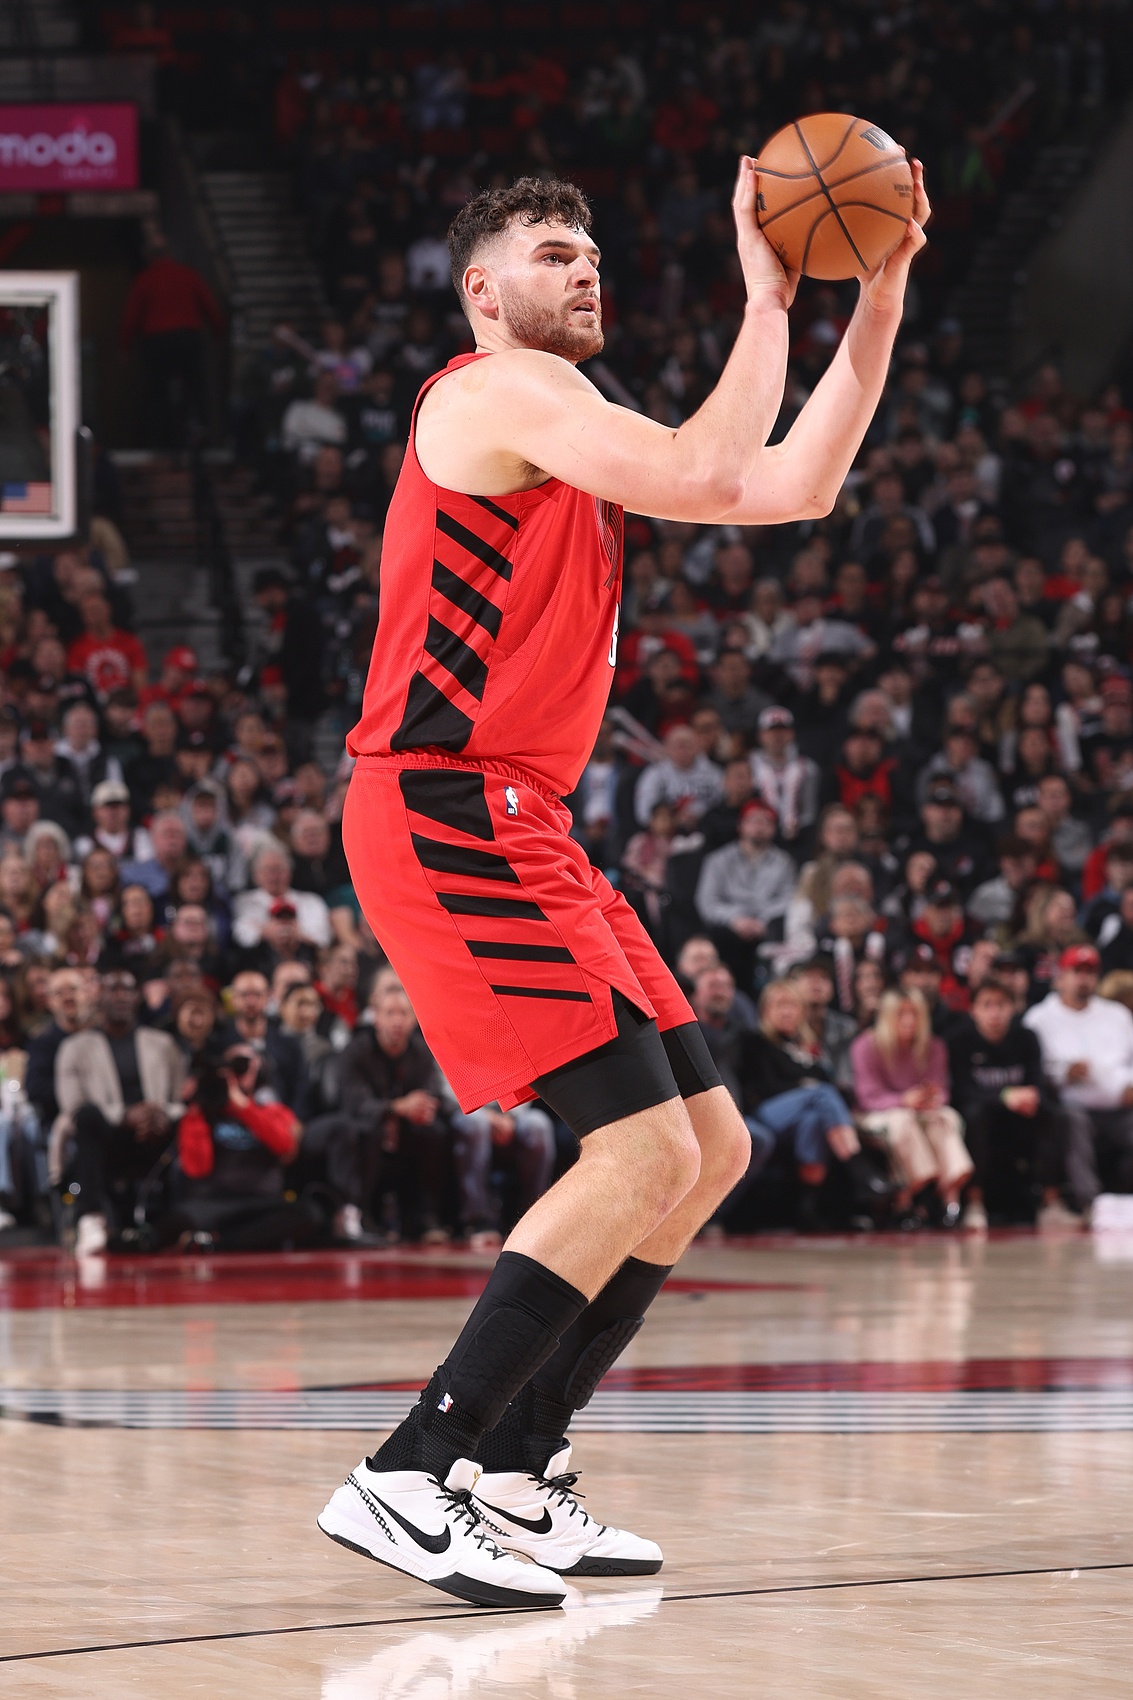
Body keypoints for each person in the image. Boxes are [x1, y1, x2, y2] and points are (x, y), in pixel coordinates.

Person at [321, 163, 930, 1605]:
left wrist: (879, 298)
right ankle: (412, 1467)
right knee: (641, 1150)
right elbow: (717, 469)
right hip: (443, 801)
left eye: (590, 248)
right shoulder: (492, 393)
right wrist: (767, 295)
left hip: (526, 814)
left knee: (709, 1147)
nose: (584, 266)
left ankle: (515, 1464)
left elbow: (792, 486)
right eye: (552, 250)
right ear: (483, 291)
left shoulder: (571, 421)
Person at [738, 978, 888, 1230]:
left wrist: (807, 1086)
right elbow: (764, 1086)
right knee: (821, 1094)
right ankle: (860, 1171)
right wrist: (806, 1087)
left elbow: (828, 1083)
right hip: (765, 1113)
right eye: (779, 1005)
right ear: (765, 1010)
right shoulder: (755, 1042)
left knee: (814, 1121)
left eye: (792, 1005)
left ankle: (807, 1207)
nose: (786, 1011)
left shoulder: (806, 1048)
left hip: (800, 1116)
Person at [56, 969, 187, 1254]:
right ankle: (91, 1218)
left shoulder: (162, 1043)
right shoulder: (75, 1047)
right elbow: (72, 1103)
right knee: (87, 1115)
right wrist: (126, 1115)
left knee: (189, 1120)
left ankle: (185, 1215)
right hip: (106, 1137)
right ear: (99, 997)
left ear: (137, 996)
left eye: (127, 989)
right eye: (113, 989)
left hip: (156, 1135)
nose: (121, 996)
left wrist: (161, 1114)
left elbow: (180, 1098)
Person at [949, 978, 1074, 1230]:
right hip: (982, 1115)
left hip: (1020, 1115)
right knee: (975, 1116)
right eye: (987, 1005)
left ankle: (1051, 1203)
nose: (994, 1012)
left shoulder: (1027, 1037)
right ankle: (974, 1203)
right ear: (973, 1010)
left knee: (1052, 1114)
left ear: (1013, 1008)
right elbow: (962, 1091)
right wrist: (1004, 1096)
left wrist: (1031, 1097)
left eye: (1001, 1004)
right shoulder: (960, 1040)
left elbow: (1037, 1082)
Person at [1024, 944, 1133, 1216]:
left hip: (1118, 1107)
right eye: (1077, 971)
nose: (1084, 979)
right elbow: (1033, 1071)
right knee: (1073, 1123)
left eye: (1090, 972)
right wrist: (1063, 1074)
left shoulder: (1117, 1015)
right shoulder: (1039, 1018)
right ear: (1060, 976)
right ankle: (1090, 1204)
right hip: (1070, 1106)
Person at [851, 989, 972, 1228]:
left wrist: (930, 1099)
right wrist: (904, 1100)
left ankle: (950, 1197)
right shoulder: (866, 1045)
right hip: (876, 1112)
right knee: (903, 1121)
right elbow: (867, 1097)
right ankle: (906, 1199)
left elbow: (942, 1090)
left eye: (914, 1014)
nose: (909, 1020)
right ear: (886, 1017)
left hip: (920, 1109)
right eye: (901, 1014)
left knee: (945, 1117)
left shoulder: (934, 1046)